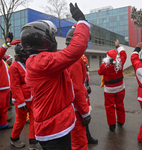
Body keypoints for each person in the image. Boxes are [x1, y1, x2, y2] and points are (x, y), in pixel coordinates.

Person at [21, 3, 90, 149]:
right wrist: (81, 21)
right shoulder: (42, 62)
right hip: (54, 129)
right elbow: (75, 50)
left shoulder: (35, 61)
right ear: (43, 40)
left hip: (52, 124)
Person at [9, 40, 42, 150]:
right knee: (21, 120)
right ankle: (14, 138)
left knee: (34, 119)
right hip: (22, 99)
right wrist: (20, 102)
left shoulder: (29, 63)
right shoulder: (14, 67)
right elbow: (15, 86)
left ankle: (33, 141)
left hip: (33, 97)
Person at [66, 26, 91, 150]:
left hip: (71, 107)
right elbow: (76, 88)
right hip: (75, 109)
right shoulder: (75, 60)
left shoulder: (68, 57)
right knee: (79, 143)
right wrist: (85, 113)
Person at [98, 39, 127, 132]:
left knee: (110, 107)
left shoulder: (104, 66)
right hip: (120, 88)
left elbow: (99, 72)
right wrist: (118, 46)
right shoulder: (121, 62)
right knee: (120, 105)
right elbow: (124, 54)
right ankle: (121, 122)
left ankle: (112, 125)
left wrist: (103, 64)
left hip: (109, 90)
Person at [81, 54, 98, 144]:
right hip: (79, 100)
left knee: (85, 119)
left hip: (85, 98)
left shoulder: (85, 73)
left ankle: (87, 136)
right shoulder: (77, 71)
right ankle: (86, 137)